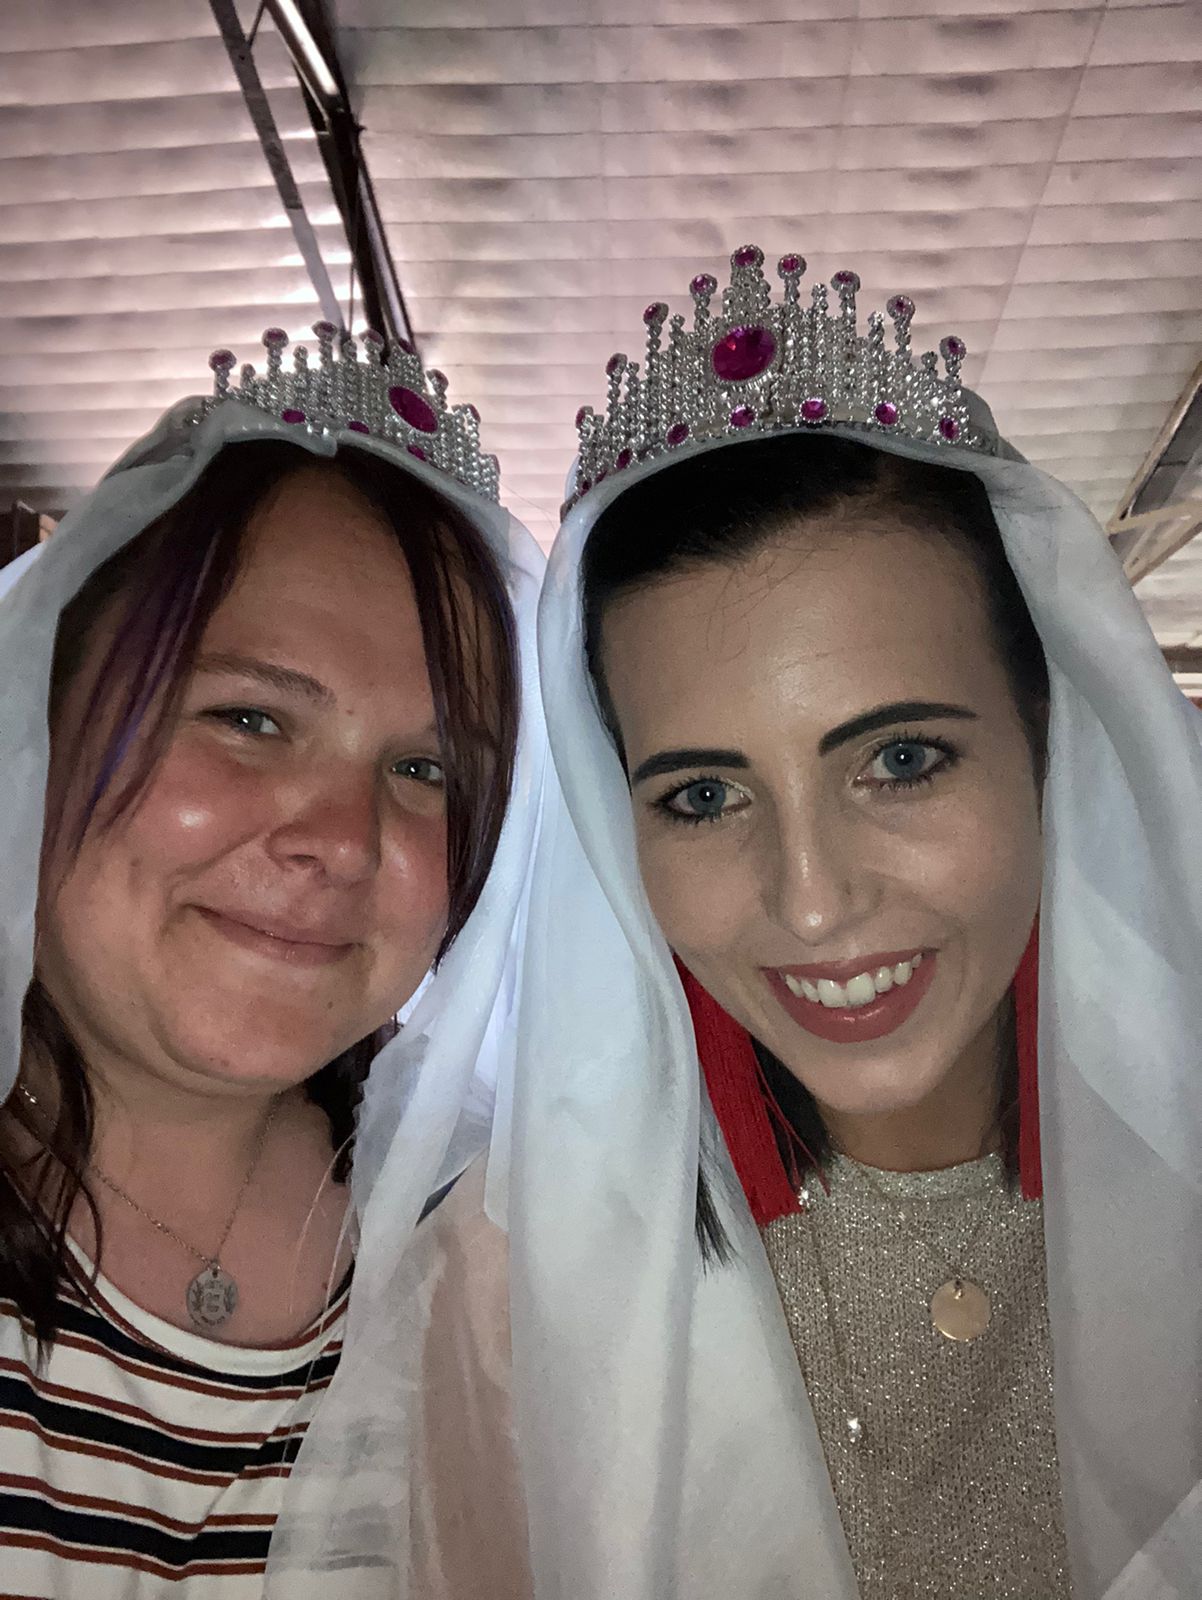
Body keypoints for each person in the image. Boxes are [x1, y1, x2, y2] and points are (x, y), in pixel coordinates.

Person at [400, 253, 1202, 1598]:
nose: (812, 899)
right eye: (703, 796)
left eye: (899, 760)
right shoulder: (517, 1283)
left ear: (1049, 741)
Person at [0, 325, 548, 1595]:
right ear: (37, 727)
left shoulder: (490, 1245)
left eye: (425, 769)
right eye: (248, 717)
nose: (343, 840)